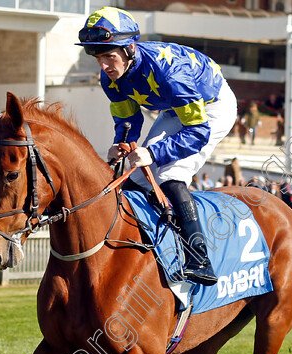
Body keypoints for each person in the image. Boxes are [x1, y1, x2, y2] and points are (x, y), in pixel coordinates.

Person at [78, 7, 237, 285]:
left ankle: (199, 259)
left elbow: (198, 131)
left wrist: (153, 152)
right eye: (97, 57)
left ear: (129, 48)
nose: (103, 66)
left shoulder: (168, 71)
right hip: (174, 109)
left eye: (108, 56)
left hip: (211, 109)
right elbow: (128, 118)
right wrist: (122, 144)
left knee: (170, 175)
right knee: (136, 178)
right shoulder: (111, 78)